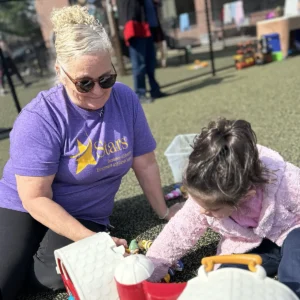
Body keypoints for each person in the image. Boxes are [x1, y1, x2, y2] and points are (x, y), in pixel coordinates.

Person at [0, 6, 181, 300]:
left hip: (85, 211)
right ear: (60, 72)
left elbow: (145, 163)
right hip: (21, 203)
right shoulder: (40, 118)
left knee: (48, 275)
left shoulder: (125, 99)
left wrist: (163, 212)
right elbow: (34, 197)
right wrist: (96, 242)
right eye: (84, 83)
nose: (98, 91)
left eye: (106, 79)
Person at [147, 118, 300, 297]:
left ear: (245, 196)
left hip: (291, 232)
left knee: (294, 274)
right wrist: (148, 269)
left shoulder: (286, 180)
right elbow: (177, 233)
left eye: (214, 209)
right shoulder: (204, 195)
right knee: (224, 280)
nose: (203, 211)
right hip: (247, 246)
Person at [117, 0, 167, 103]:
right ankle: (140, 93)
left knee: (151, 62)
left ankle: (155, 90)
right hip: (136, 28)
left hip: (148, 28)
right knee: (139, 64)